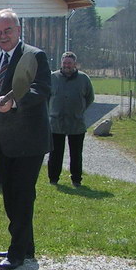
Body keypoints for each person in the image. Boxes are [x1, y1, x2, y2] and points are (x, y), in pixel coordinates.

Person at [0, 9, 51, 270]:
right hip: (2, 141)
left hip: (28, 142)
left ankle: (17, 251)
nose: (2, 36)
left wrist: (14, 102)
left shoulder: (34, 56)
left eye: (7, 30)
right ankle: (25, 246)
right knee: (8, 194)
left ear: (18, 30)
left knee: (22, 195)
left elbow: (42, 90)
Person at [48, 52, 95, 188]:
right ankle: (53, 179)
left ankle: (76, 180)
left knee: (76, 154)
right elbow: (46, 98)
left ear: (75, 64)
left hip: (76, 123)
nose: (67, 65)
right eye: (64, 63)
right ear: (61, 63)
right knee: (55, 153)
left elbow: (89, 97)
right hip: (56, 123)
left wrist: (79, 110)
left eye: (69, 63)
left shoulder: (83, 79)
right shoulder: (53, 78)